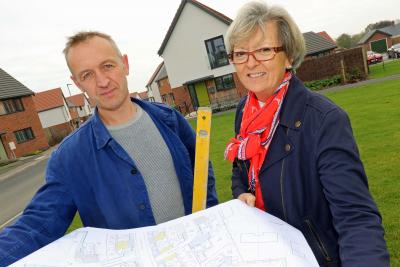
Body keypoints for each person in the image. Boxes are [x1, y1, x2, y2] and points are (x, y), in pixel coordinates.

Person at [0, 31, 218, 265]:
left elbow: (203, 177)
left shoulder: (171, 121)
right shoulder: (70, 156)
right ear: (77, 83)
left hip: (192, 255)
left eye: (107, 66)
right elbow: (37, 224)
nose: (102, 82)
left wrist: (214, 224)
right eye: (88, 74)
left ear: (125, 64)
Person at [224, 2, 389, 266]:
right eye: (241, 53)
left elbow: (356, 219)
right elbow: (240, 169)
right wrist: (241, 192)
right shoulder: (245, 111)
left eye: (265, 50)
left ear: (288, 56)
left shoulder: (325, 121)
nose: (250, 62)